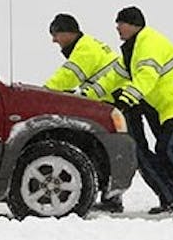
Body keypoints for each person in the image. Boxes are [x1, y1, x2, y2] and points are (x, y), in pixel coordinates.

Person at [111, 6, 173, 220]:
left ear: (134, 24)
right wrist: (86, 95)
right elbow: (114, 77)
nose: (117, 27)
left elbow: (147, 76)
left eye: (121, 23)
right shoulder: (132, 49)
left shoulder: (148, 42)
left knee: (169, 149)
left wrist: (127, 99)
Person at [44, 13, 131, 212]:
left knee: (125, 150)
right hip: (113, 100)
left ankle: (169, 195)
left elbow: (67, 76)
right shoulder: (87, 45)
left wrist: (42, 94)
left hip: (118, 101)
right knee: (117, 149)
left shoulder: (84, 49)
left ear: (67, 33)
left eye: (55, 34)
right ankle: (113, 198)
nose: (53, 40)